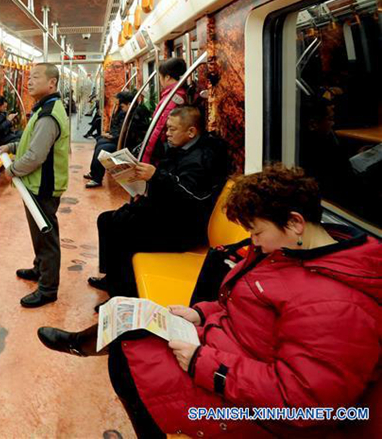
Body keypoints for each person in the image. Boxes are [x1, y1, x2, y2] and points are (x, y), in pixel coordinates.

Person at [36, 164, 381, 438]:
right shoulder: (290, 251)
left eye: (257, 232)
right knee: (134, 325)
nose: (253, 242)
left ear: (294, 223)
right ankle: (85, 343)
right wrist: (200, 314)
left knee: (130, 360)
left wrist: (205, 363)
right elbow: (242, 306)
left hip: (257, 411)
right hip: (231, 349)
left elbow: (303, 403)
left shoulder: (338, 306)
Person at [89, 106, 228, 298]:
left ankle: (121, 294)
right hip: (170, 212)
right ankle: (113, 277)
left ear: (191, 131)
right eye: (167, 129)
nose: (167, 134)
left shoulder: (202, 159)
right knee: (106, 219)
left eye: (172, 129)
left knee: (123, 231)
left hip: (184, 227)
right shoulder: (181, 149)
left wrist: (155, 177)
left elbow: (189, 196)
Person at [0, 63, 70, 308]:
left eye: (36, 77)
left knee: (47, 238)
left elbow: (37, 155)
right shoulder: (43, 109)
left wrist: (12, 170)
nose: (29, 81)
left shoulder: (49, 114)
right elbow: (32, 142)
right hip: (36, 185)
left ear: (52, 83)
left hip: (44, 186)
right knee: (39, 235)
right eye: (29, 77)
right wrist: (12, 147)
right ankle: (40, 268)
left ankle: (48, 289)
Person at [85, 91, 150, 188]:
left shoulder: (136, 115)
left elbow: (129, 133)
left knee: (101, 149)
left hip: (128, 144)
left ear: (129, 104)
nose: (121, 108)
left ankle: (97, 179)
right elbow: (120, 128)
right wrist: (111, 135)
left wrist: (113, 136)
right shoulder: (127, 112)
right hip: (122, 140)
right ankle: (94, 173)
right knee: (100, 141)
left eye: (122, 106)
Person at [141, 57, 187, 165]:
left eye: (160, 78)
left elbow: (159, 128)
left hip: (163, 150)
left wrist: (147, 152)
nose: (160, 81)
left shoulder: (172, 98)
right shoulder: (175, 94)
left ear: (167, 77)